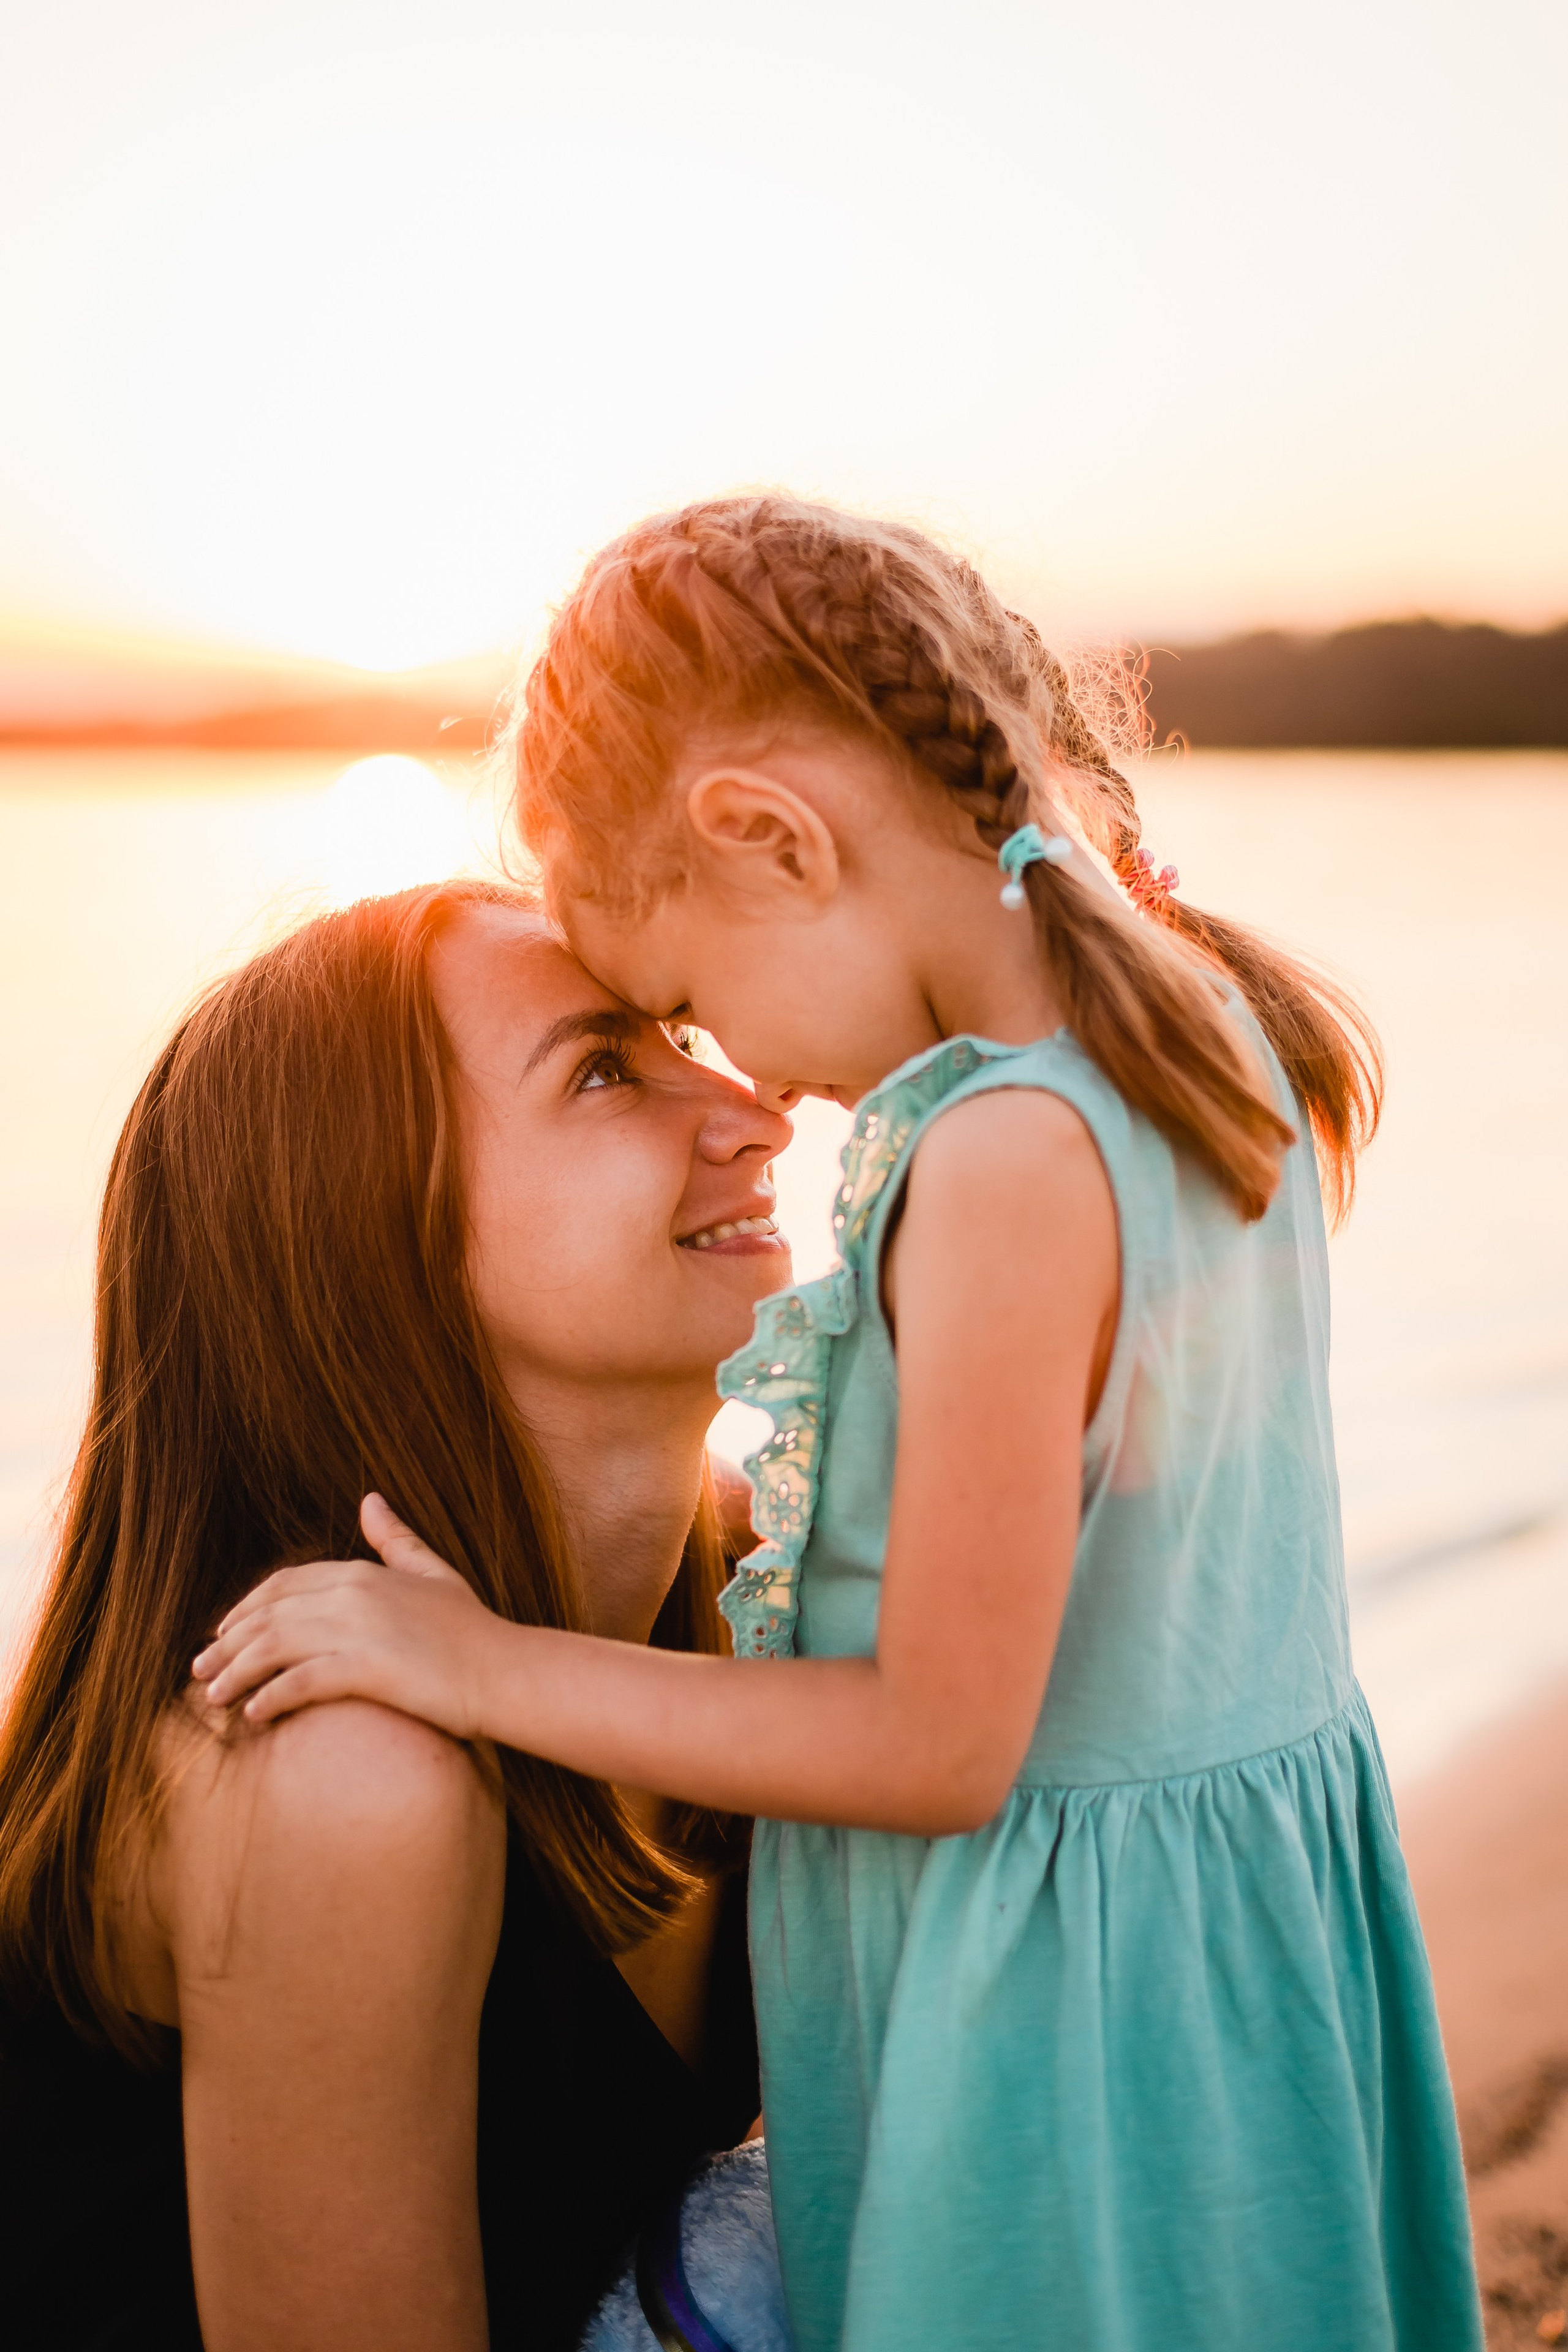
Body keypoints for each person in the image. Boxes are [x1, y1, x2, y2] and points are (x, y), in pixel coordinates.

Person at [198, 497, 1485, 2352]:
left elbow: (941, 1744)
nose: (757, 1083)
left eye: (687, 998)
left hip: (1055, 2062)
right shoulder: (1206, 1045)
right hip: (1225, 1995)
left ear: (771, 838)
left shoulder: (1001, 1158)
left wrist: (476, 1665)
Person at [0, 878, 790, 2352]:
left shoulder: (763, 1596)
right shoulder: (342, 1770)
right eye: (606, 1069)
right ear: (383, 1233)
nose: (755, 1110)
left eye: (681, 1031)